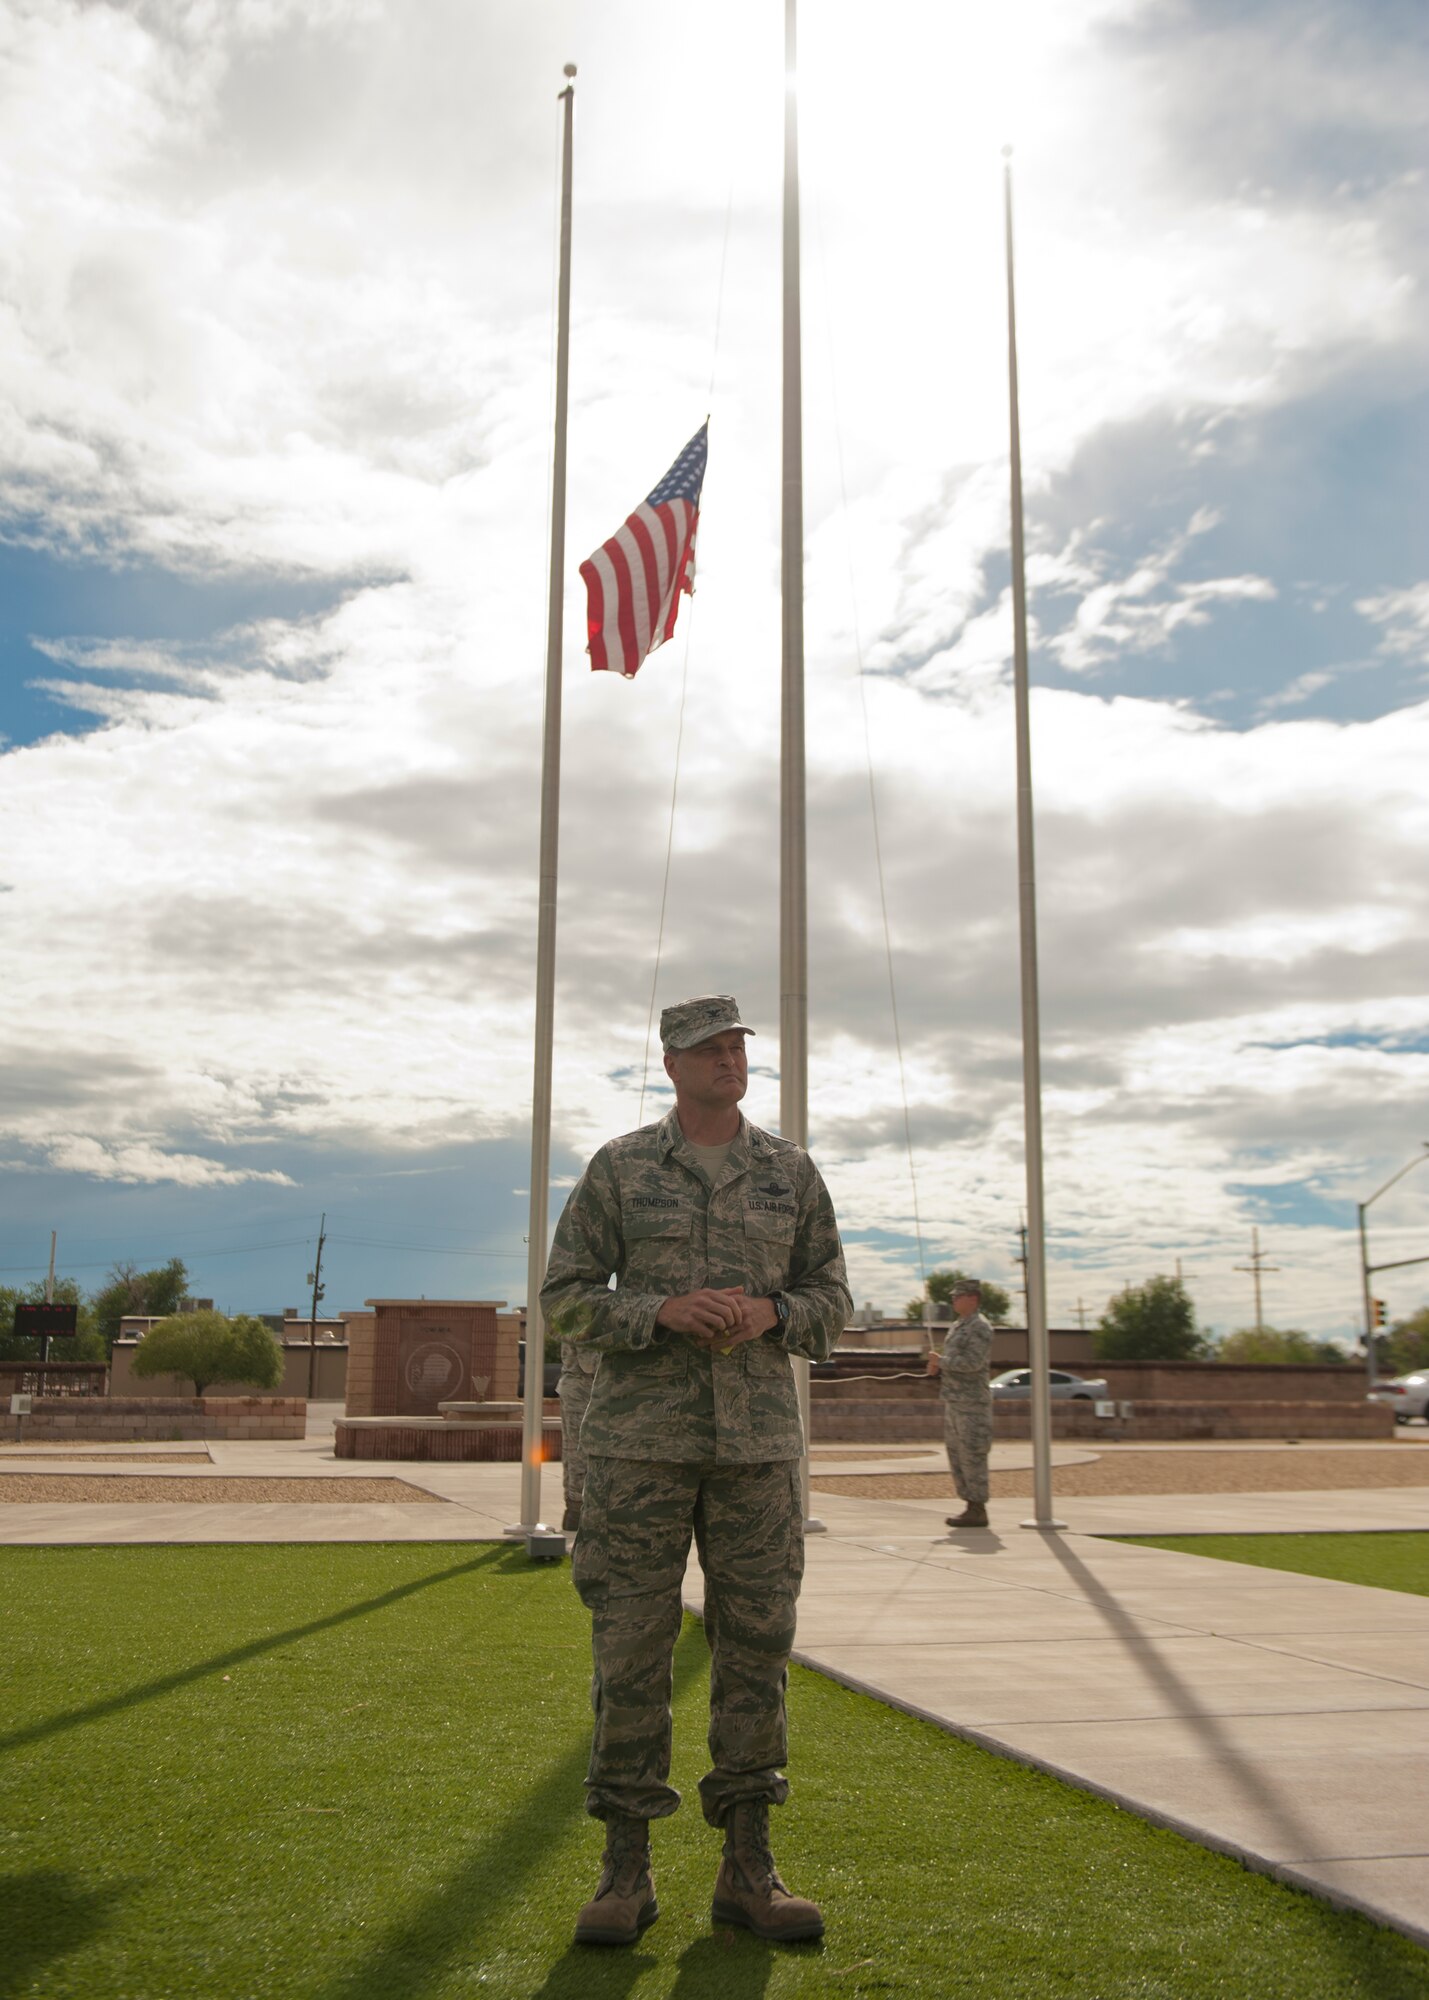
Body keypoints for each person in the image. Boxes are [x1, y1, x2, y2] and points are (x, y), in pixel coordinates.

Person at [541, 994, 851, 1949]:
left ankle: (747, 1866)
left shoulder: (789, 1171)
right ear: (670, 1065)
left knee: (756, 1649)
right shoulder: (621, 1168)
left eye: (735, 1048)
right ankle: (623, 1869)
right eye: (707, 1050)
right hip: (638, 1450)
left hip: (756, 1451)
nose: (727, 1061)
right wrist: (660, 1311)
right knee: (630, 1652)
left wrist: (770, 1314)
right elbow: (561, 1298)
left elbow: (831, 1299)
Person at [925, 1281, 995, 1529]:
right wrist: (938, 1365)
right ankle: (969, 1505)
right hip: (955, 1401)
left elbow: (972, 1362)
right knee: (957, 1454)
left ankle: (978, 1508)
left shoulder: (980, 1327)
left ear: (973, 1298)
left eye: (958, 1297)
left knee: (972, 1453)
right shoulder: (958, 1326)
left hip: (972, 1404)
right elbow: (955, 1360)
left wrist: (941, 1361)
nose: (954, 1301)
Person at [556, 1338, 597, 1533]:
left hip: (585, 1385)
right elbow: (589, 1362)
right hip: (581, 1386)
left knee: (574, 1452)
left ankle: (577, 1509)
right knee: (577, 1453)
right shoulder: (582, 1314)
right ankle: (575, 1511)